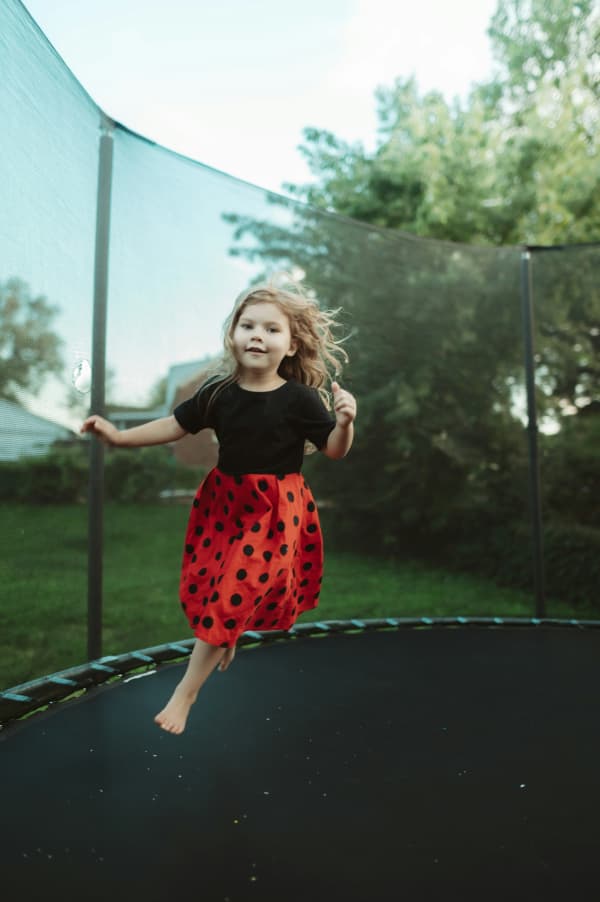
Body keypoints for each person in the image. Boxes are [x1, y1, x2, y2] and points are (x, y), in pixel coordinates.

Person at [81, 277, 357, 735]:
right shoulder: (217, 392)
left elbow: (333, 449)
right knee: (211, 586)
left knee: (237, 586)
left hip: (274, 510)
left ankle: (184, 694)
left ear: (290, 346)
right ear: (232, 334)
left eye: (272, 329)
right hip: (224, 503)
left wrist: (344, 423)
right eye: (248, 325)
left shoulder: (300, 398)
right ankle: (223, 636)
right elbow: (174, 426)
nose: (257, 335)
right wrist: (118, 437)